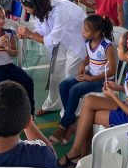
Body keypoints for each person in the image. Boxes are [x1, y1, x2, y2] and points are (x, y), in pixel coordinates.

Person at [58, 30, 128, 168]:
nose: (117, 48)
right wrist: (118, 87)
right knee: (89, 101)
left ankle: (77, 155)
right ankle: (79, 155)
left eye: (119, 47)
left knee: (86, 117)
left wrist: (113, 95)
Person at [48, 15, 117, 145]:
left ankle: (63, 126)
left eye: (86, 30)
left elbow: (112, 71)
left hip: (103, 80)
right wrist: (82, 65)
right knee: (64, 85)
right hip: (90, 75)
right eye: (83, 29)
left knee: (75, 90)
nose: (82, 32)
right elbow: (88, 57)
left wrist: (91, 79)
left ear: (96, 33)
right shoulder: (88, 41)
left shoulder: (107, 46)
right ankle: (72, 122)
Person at [17, 0, 86, 115]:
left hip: (77, 40)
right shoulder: (40, 10)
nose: (27, 12)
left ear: (35, 5)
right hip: (62, 40)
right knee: (56, 74)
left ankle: (72, 112)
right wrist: (28, 34)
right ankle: (53, 104)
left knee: (70, 75)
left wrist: (31, 35)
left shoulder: (60, 10)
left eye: (27, 9)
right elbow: (42, 31)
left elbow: (52, 40)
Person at [0, 5, 35, 116]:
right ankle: (10, 115)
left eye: (3, 17)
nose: (1, 21)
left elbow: (14, 53)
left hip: (8, 65)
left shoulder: (9, 33)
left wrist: (8, 48)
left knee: (28, 81)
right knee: (9, 87)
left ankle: (29, 114)